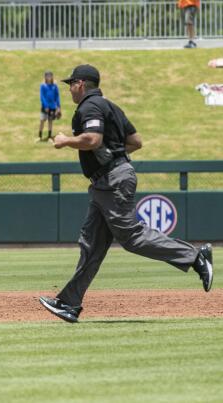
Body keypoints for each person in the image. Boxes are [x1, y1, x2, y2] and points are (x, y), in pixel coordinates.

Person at [39, 65, 213, 323]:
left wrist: (66, 141)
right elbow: (137, 141)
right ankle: (69, 303)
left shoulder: (90, 106)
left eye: (71, 83)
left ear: (82, 84)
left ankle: (195, 257)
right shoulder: (111, 106)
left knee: (130, 236)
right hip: (106, 181)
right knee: (92, 244)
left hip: (111, 180)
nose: (69, 89)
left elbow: (93, 140)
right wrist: (115, 152)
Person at [38, 71, 61, 142]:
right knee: (42, 120)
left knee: (50, 121)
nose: (49, 78)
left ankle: (49, 136)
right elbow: (42, 97)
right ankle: (40, 136)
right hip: (45, 107)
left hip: (53, 107)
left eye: (50, 76)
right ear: (45, 77)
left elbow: (57, 96)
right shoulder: (43, 86)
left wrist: (58, 106)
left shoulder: (54, 86)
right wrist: (46, 106)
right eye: (47, 76)